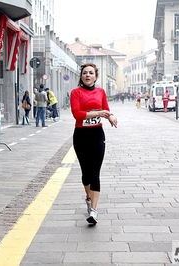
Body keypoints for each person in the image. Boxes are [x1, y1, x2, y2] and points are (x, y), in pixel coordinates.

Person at [70, 63, 118, 225]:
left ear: (96, 76)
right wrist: (99, 113)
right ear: (81, 76)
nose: (88, 75)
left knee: (95, 173)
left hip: (97, 135)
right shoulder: (76, 93)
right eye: (85, 73)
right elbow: (77, 114)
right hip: (81, 136)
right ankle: (89, 198)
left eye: (91, 73)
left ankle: (94, 210)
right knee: (86, 173)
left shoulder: (101, 92)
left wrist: (110, 116)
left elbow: (106, 109)